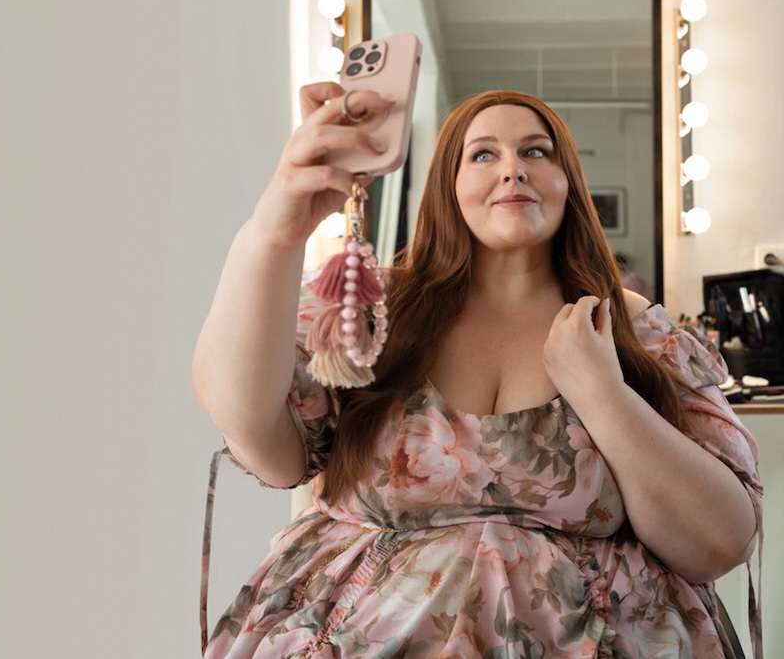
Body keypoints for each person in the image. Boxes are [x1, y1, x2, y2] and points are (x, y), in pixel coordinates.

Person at [192, 85, 762, 658]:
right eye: (484, 153)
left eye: (536, 151)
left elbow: (720, 542)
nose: (513, 169)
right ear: (449, 183)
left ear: (568, 181)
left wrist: (603, 395)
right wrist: (278, 229)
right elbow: (261, 442)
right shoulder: (371, 310)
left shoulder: (634, 329)